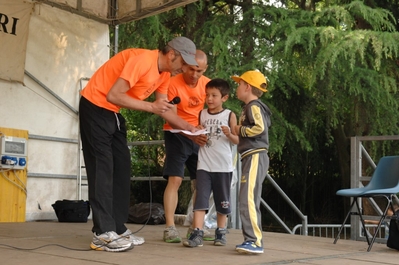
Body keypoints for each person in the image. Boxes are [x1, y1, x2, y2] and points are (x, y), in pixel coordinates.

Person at [79, 36, 198, 252]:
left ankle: (116, 227)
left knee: (122, 167)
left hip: (112, 112)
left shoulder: (164, 73)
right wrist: (150, 107)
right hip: (95, 106)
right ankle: (102, 233)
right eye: (183, 63)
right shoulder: (144, 60)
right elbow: (114, 95)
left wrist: (190, 129)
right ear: (172, 54)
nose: (184, 69)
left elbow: (165, 109)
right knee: (102, 168)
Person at [182, 78, 239, 248]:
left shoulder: (229, 115)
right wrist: (198, 132)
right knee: (201, 199)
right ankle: (197, 232)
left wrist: (229, 134)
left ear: (224, 98)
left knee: (223, 200)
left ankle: (221, 232)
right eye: (207, 95)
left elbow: (237, 140)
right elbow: (199, 133)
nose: (210, 99)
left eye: (214, 95)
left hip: (223, 166)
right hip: (204, 165)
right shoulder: (202, 113)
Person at [162, 50, 211, 243]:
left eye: (199, 71)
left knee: (202, 182)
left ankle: (196, 227)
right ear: (184, 66)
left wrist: (203, 129)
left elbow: (212, 111)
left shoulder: (208, 84)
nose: (195, 74)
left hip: (198, 136)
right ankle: (170, 228)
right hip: (177, 134)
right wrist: (191, 131)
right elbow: (172, 118)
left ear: (205, 69)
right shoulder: (171, 83)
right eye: (191, 69)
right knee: (175, 180)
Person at [231, 70, 272, 254]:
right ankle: (252, 240)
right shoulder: (250, 107)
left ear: (247, 86)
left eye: (239, 84)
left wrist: (240, 130)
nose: (237, 87)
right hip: (250, 155)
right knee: (246, 198)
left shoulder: (253, 106)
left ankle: (254, 241)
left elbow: (259, 128)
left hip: (255, 155)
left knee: (248, 198)